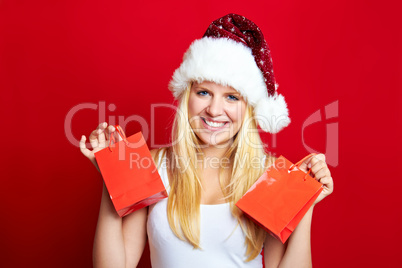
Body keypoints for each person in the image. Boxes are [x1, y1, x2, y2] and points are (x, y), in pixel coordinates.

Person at [80, 13, 334, 268]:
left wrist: (305, 201)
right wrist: (112, 178)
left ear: (249, 108)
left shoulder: (269, 174)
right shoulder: (149, 164)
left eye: (232, 97)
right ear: (187, 96)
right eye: (204, 92)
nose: (214, 110)